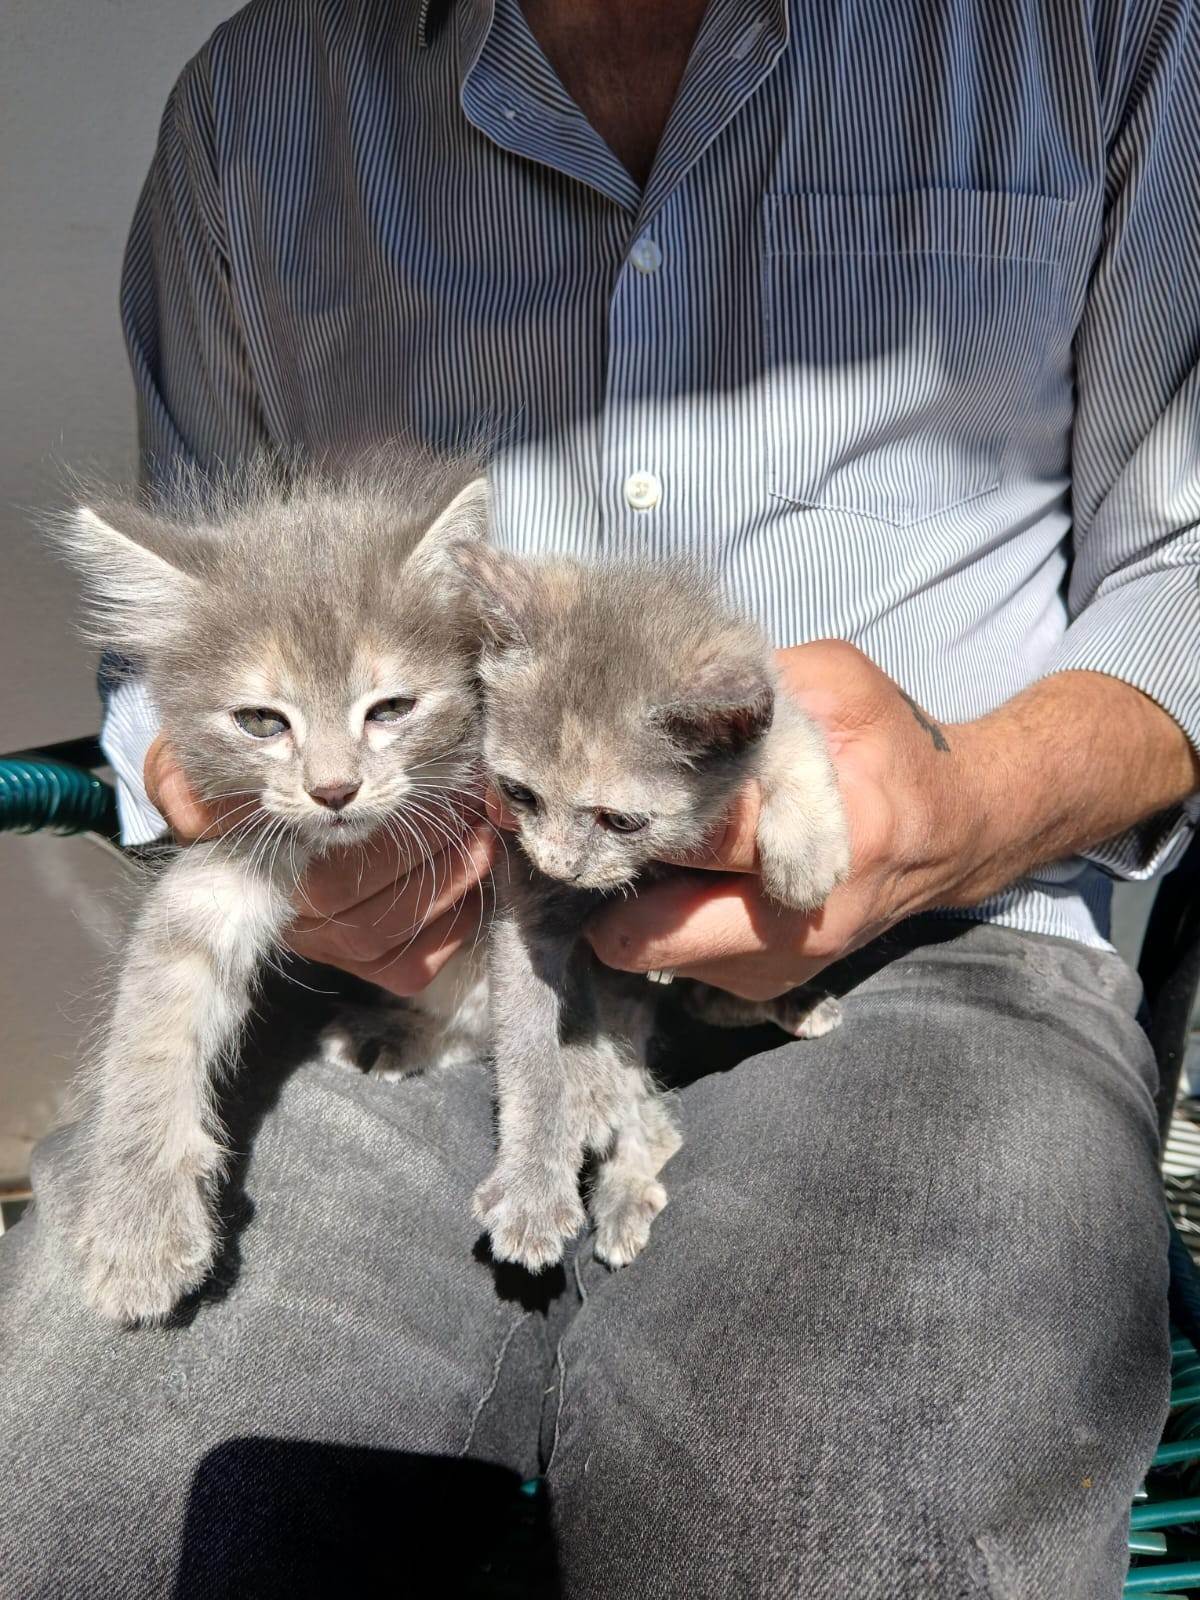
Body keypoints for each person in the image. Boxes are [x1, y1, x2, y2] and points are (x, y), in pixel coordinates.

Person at [3, 0, 1199, 1593]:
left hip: (924, 944)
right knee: (103, 1518)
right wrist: (213, 788)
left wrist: (971, 803)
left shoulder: (1108, 35)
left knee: (839, 1533)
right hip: (402, 949)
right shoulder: (256, 104)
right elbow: (175, 657)